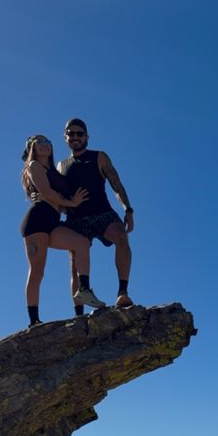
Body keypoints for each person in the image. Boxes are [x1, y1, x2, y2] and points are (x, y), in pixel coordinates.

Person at [20, 135, 105, 327]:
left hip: (53, 222)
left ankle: (84, 290)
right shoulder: (34, 166)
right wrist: (71, 203)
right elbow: (46, 193)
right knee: (37, 270)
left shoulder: (53, 170)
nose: (44, 145)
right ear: (32, 148)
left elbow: (56, 197)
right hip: (37, 221)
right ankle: (34, 321)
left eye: (47, 142)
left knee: (82, 243)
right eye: (39, 142)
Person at [57, 118, 134, 309]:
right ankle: (79, 315)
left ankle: (122, 293)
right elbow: (58, 197)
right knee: (74, 265)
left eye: (79, 133)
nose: (75, 137)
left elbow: (116, 184)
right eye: (71, 133)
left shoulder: (99, 157)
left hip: (102, 213)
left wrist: (127, 209)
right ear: (65, 137)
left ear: (87, 137)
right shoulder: (61, 165)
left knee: (121, 237)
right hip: (75, 219)